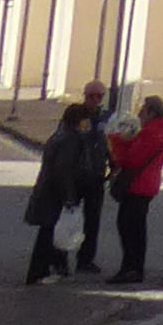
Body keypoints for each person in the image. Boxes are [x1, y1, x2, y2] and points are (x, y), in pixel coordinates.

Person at [108, 97, 163, 284]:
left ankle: (131, 268)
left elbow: (133, 159)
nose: (139, 114)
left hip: (138, 185)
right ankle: (133, 267)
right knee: (134, 227)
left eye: (143, 111)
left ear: (152, 113)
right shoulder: (160, 131)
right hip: (147, 184)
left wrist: (116, 144)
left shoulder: (152, 133)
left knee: (129, 228)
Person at [23, 107, 89, 285]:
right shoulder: (71, 139)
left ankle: (45, 269)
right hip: (55, 192)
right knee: (48, 232)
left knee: (49, 231)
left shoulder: (60, 134)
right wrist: (69, 196)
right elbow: (63, 169)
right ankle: (38, 272)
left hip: (47, 189)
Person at [68, 82, 113, 272]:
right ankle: (59, 257)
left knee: (92, 220)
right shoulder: (75, 114)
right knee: (69, 217)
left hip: (96, 175)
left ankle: (85, 259)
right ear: (84, 95)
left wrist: (113, 163)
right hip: (76, 174)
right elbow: (73, 138)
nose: (95, 100)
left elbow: (107, 141)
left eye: (99, 96)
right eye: (92, 96)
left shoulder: (104, 117)